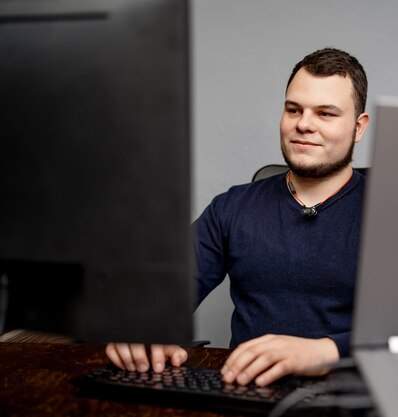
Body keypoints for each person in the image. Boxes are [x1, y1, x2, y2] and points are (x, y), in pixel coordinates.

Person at [106, 47, 370, 388]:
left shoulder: (393, 216)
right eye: (294, 110)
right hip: (244, 392)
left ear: (359, 127)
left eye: (326, 114)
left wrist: (328, 351)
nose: (304, 124)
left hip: (349, 395)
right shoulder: (232, 207)